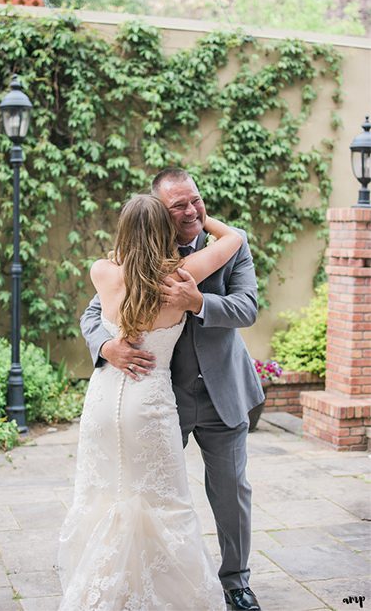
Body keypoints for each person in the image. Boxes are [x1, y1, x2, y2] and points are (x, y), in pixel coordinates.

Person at [80, 169, 265, 611]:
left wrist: (198, 302)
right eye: (178, 205)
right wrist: (108, 346)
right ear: (160, 216)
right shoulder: (149, 256)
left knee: (231, 490)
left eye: (196, 200)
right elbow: (93, 316)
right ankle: (161, 581)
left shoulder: (227, 253)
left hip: (223, 389)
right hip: (164, 396)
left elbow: (247, 307)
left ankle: (236, 581)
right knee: (156, 494)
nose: (192, 210)